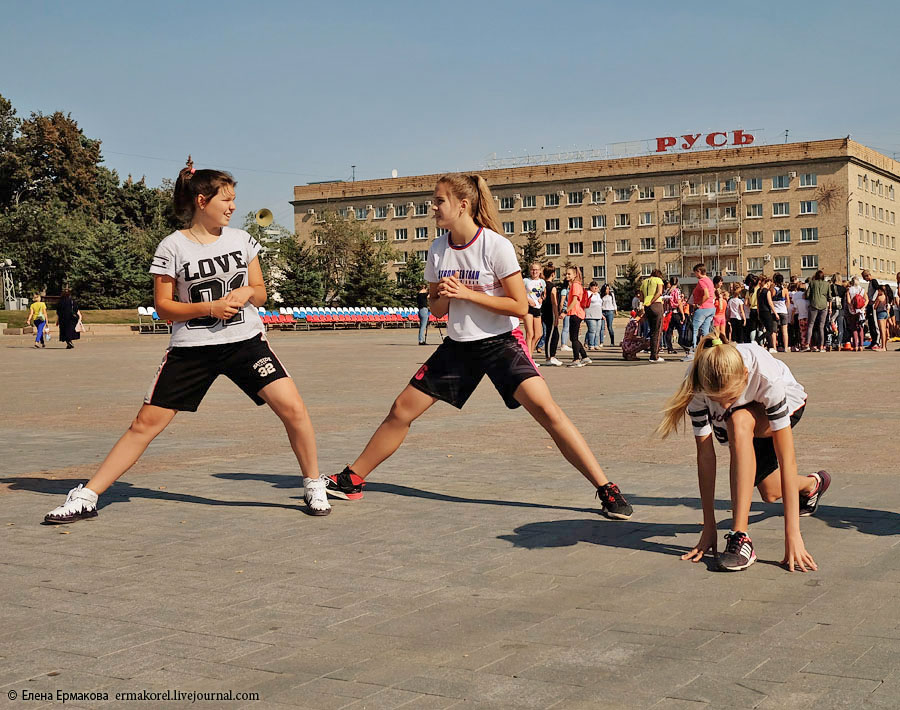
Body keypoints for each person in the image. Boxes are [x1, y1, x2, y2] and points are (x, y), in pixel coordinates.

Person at [320, 173, 632, 520]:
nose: (433, 207)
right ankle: (354, 479)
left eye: (439, 201)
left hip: (501, 343)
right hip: (458, 346)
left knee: (548, 412)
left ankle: (607, 489)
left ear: (462, 205)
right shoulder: (438, 249)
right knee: (401, 410)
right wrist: (440, 294)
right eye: (433, 201)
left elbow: (518, 305)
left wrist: (467, 293)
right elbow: (438, 310)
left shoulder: (495, 246)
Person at [44, 159, 331, 523]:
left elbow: (260, 291)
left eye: (234, 199)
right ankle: (87, 495)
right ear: (201, 201)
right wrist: (209, 307)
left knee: (293, 409)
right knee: (144, 424)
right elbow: (163, 307)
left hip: (245, 343)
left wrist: (245, 294)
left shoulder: (242, 239)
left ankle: (312, 483)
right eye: (226, 199)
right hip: (192, 350)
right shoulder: (172, 247)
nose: (233, 206)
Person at [658, 335, 830, 572]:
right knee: (769, 492)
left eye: (730, 398)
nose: (724, 407)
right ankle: (812, 485)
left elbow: (786, 457)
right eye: (717, 401)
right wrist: (709, 526)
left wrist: (793, 534)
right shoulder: (697, 381)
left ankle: (740, 537)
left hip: (787, 405)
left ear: (746, 378)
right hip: (745, 426)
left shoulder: (765, 376)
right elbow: (706, 457)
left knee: (737, 421)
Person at [683, 264, 715, 361]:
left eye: (695, 272)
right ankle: (707, 351)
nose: (695, 274)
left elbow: (706, 294)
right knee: (705, 331)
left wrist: (699, 304)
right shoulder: (709, 280)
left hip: (703, 308)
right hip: (711, 308)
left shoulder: (701, 281)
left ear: (698, 271)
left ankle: (692, 351)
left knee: (694, 330)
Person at [563, 266, 591, 367]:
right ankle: (584, 357)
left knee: (573, 338)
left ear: (575, 275)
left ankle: (576, 359)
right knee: (574, 337)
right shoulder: (577, 285)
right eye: (566, 274)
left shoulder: (575, 285)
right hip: (578, 313)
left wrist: (566, 311)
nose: (567, 275)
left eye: (569, 274)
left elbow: (575, 300)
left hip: (575, 313)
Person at [539, 264, 563, 366]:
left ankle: (552, 356)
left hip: (544, 312)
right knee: (551, 334)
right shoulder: (551, 287)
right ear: (553, 274)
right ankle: (549, 357)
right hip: (551, 313)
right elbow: (554, 303)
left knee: (555, 334)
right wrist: (556, 315)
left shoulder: (543, 285)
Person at [640, 268, 664, 363]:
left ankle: (652, 353)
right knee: (657, 331)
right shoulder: (658, 280)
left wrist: (647, 302)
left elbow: (641, 297)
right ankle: (654, 355)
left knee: (652, 330)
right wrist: (652, 301)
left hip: (647, 306)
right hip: (656, 305)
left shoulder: (644, 282)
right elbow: (659, 292)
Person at [522, 262, 546, 354]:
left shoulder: (542, 282)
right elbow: (520, 293)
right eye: (532, 269)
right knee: (530, 334)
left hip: (537, 308)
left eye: (536, 269)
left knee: (538, 334)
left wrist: (541, 298)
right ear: (530, 271)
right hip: (528, 308)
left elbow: (543, 293)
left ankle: (529, 355)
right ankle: (528, 357)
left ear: (540, 271)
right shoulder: (525, 281)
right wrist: (528, 299)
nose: (534, 271)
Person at [806, 270, 829, 352]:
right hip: (823, 305)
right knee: (821, 326)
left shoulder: (812, 283)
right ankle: (821, 346)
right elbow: (829, 296)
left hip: (814, 305)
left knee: (810, 325)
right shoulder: (827, 284)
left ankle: (807, 344)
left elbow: (807, 294)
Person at [662, 277, 684, 354]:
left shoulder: (667, 291)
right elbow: (679, 303)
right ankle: (682, 343)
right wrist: (682, 314)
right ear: (677, 282)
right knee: (681, 330)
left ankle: (670, 347)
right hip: (675, 312)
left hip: (668, 313)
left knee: (669, 331)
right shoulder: (677, 291)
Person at [846, 275, 867, 351]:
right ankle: (861, 345)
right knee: (861, 328)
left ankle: (856, 346)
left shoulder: (849, 290)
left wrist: (852, 306)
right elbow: (866, 300)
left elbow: (848, 301)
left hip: (852, 311)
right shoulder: (862, 290)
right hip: (861, 311)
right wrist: (863, 307)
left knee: (854, 328)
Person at [757, 276, 777, 353]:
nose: (770, 285)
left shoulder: (759, 291)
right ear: (767, 282)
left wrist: (758, 313)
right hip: (766, 312)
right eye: (769, 283)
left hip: (761, 312)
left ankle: (770, 346)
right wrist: (775, 313)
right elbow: (770, 303)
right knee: (770, 330)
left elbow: (758, 304)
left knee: (767, 329)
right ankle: (758, 340)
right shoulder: (767, 291)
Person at [771, 274, 789, 352]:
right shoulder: (785, 290)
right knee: (784, 331)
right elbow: (787, 301)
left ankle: (774, 347)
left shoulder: (772, 290)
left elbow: (770, 301)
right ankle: (785, 347)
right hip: (783, 311)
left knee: (774, 331)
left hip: (775, 311)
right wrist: (786, 308)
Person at [862, 270, 879, 349]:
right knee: (871, 324)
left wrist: (873, 300)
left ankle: (877, 342)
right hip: (869, 305)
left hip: (872, 305)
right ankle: (873, 341)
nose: (864, 279)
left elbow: (878, 290)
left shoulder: (873, 281)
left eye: (864, 277)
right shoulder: (870, 283)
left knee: (875, 324)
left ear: (867, 276)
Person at [583, 281, 603, 351]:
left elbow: (600, 304)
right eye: (594, 287)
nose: (596, 288)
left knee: (598, 331)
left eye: (597, 287)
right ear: (591, 287)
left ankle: (596, 344)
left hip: (598, 314)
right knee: (592, 331)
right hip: (590, 315)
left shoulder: (598, 294)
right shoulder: (588, 293)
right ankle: (591, 344)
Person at [791, 283, 810, 351]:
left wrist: (792, 317)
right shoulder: (808, 300)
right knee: (806, 330)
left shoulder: (795, 295)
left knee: (798, 331)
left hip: (798, 315)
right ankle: (806, 343)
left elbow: (793, 304)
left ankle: (799, 344)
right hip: (806, 316)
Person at [872, 283, 889, 352]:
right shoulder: (886, 297)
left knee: (882, 331)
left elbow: (875, 307)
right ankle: (884, 346)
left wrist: (875, 301)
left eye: (878, 290)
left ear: (880, 290)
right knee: (884, 330)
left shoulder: (879, 297)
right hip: (885, 313)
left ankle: (883, 347)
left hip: (880, 313)